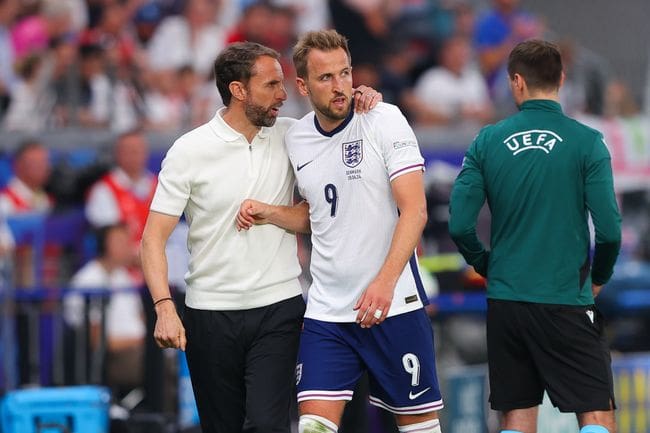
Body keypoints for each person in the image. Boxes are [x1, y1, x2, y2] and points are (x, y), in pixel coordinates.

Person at [140, 41, 380, 433]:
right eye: (271, 85)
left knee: (268, 426)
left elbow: (318, 216)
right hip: (209, 314)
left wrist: (363, 100)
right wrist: (165, 308)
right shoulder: (188, 150)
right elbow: (152, 239)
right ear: (238, 90)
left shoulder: (295, 136)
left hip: (278, 308)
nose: (283, 95)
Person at [237, 30, 443, 433]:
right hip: (327, 312)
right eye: (326, 77)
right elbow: (318, 216)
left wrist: (383, 283)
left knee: (419, 427)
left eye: (344, 73)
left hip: (393, 306)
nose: (340, 86)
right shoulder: (296, 139)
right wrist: (269, 213)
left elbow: (415, 210)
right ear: (303, 85)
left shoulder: (383, 119)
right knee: (313, 426)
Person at [448, 40, 621, 433]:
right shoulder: (586, 142)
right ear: (561, 79)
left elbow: (459, 224)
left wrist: (487, 263)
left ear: (516, 83)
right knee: (596, 414)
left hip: (507, 300)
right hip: (565, 298)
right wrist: (599, 277)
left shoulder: (487, 141)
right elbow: (610, 229)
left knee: (517, 417)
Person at [64, 223, 145, 398]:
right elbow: (98, 342)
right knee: (155, 361)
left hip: (139, 347)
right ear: (104, 245)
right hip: (111, 359)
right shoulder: (87, 281)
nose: (128, 246)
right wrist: (141, 342)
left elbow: (141, 319)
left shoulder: (123, 276)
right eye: (120, 241)